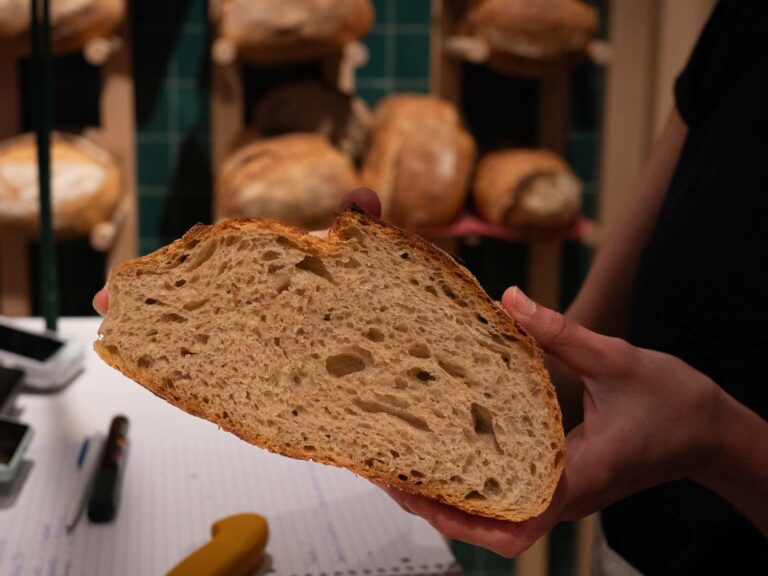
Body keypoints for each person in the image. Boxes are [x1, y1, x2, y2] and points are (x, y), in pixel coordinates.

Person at [94, 2, 768, 572]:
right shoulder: (741, 21)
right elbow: (602, 320)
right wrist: (443, 369)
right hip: (626, 549)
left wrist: (715, 438)